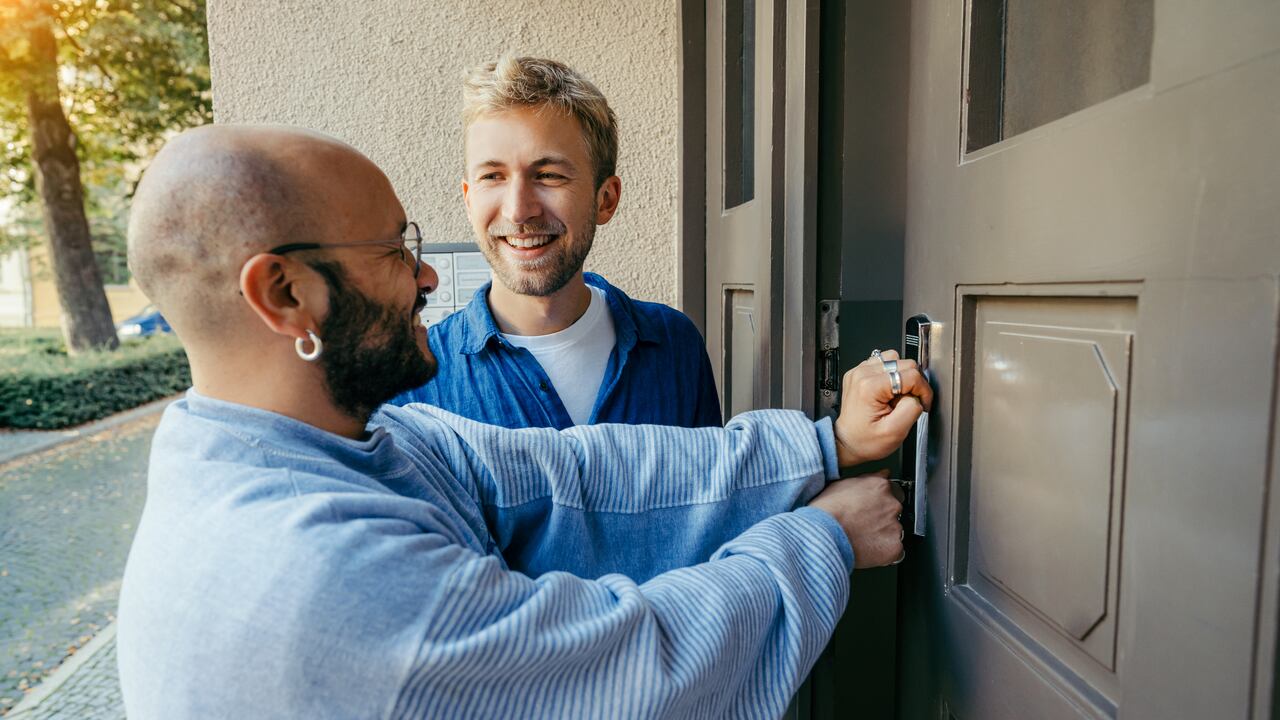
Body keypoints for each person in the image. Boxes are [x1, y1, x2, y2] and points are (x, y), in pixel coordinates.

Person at [117, 124, 932, 719]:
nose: (430, 272)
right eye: (395, 248)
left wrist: (827, 442)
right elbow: (633, 669)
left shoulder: (360, 442)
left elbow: (577, 476)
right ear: (286, 294)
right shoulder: (320, 575)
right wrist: (822, 538)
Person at [390, 56, 721, 429]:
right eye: (493, 176)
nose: (518, 211)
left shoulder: (676, 347)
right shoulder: (412, 380)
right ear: (469, 200)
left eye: (548, 175)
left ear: (605, 199)